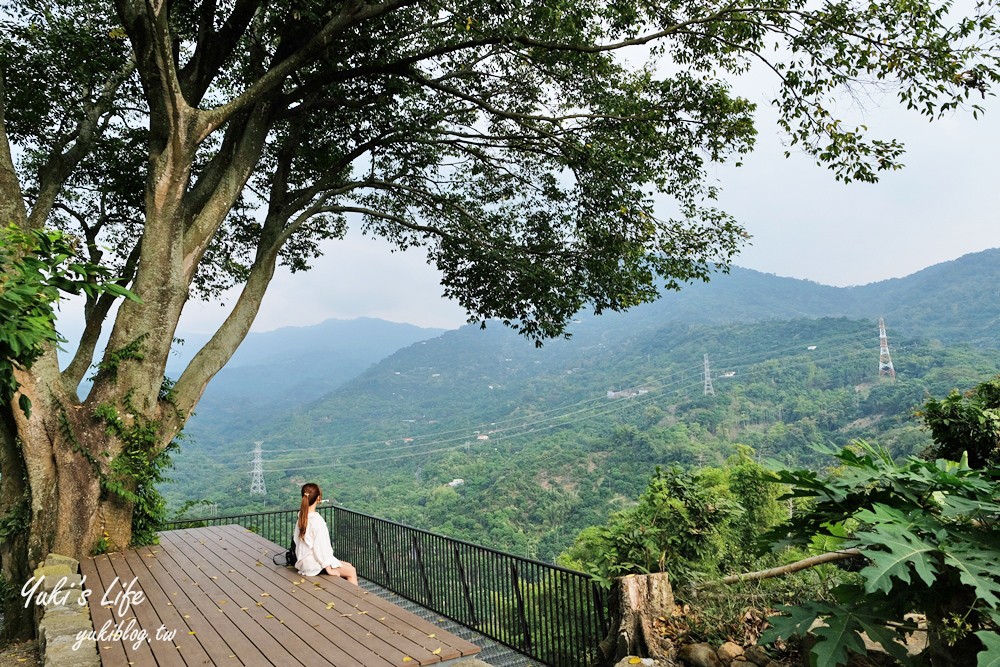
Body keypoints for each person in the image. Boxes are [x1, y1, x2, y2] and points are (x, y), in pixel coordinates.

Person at [293, 483, 358, 585]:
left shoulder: (301, 517)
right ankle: (354, 600)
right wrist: (328, 568)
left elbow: (296, 541)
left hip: (303, 563)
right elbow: (320, 548)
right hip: (314, 565)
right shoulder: (317, 521)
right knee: (351, 571)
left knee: (348, 565)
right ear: (318, 498)